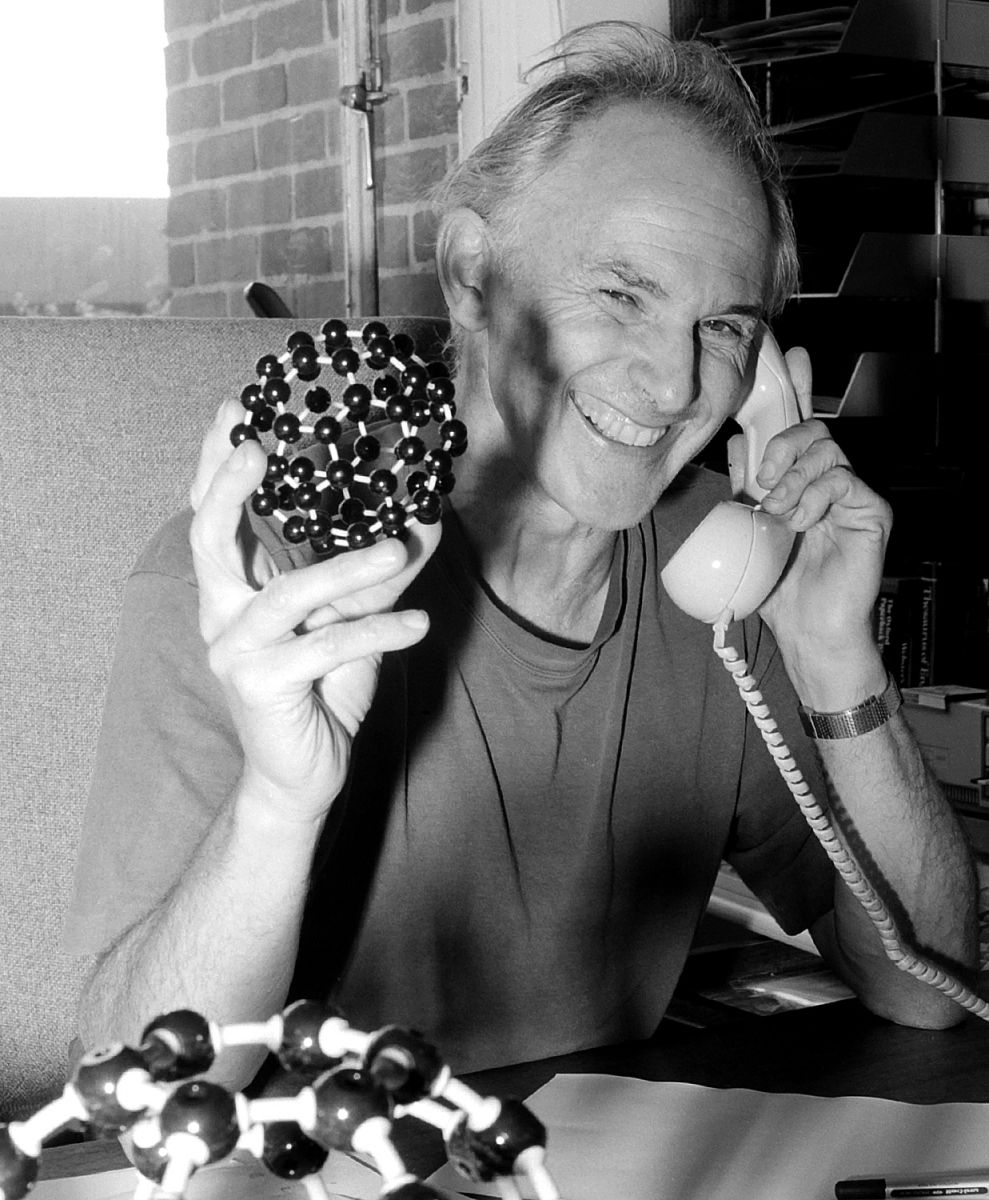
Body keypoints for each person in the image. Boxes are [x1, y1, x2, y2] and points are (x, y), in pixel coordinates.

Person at [66, 22, 977, 1091]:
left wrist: (834, 660)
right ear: (469, 273)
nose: (674, 384)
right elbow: (145, 1094)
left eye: (722, 326)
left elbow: (922, 986)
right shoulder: (254, 587)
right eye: (620, 295)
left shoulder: (724, 586)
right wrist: (279, 801)